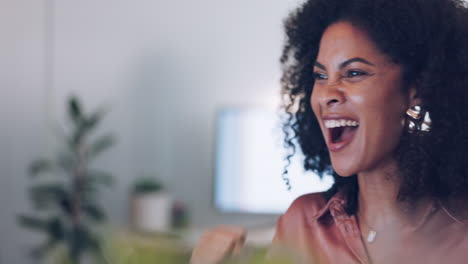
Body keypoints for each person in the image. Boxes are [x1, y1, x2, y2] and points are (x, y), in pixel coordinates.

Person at [191, 0, 468, 263]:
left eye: (354, 73)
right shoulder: (302, 224)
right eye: (320, 77)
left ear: (416, 89)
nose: (326, 95)